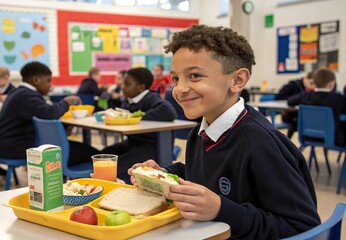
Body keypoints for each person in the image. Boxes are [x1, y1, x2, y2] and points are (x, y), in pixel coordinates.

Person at [127, 25, 320, 239]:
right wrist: (164, 173)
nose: (179, 89)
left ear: (237, 80)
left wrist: (221, 209)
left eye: (194, 75)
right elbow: (204, 172)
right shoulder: (202, 132)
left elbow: (304, 228)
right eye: (175, 79)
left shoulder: (261, 143)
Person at [0, 62, 100, 163]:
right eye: (48, 81)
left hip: (7, 145)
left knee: (77, 148)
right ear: (36, 80)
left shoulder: (18, 92)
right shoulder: (27, 96)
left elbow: (40, 116)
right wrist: (66, 102)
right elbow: (49, 113)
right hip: (13, 148)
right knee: (94, 155)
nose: (50, 85)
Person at [100, 67, 176, 183]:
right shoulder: (128, 100)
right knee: (103, 157)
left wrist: (135, 116)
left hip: (152, 147)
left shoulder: (151, 97)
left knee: (117, 167)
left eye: (127, 84)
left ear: (141, 87)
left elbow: (168, 111)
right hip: (132, 143)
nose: (122, 87)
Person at [287, 68, 346, 146]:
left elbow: (290, 101)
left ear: (314, 83)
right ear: (331, 84)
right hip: (334, 138)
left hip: (308, 136)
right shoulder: (339, 99)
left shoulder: (306, 96)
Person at [275, 71, 315, 138]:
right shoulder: (293, 84)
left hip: (304, 115)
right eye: (311, 83)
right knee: (297, 123)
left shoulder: (311, 90)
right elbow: (279, 97)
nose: (313, 86)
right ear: (305, 78)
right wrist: (296, 99)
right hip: (290, 115)